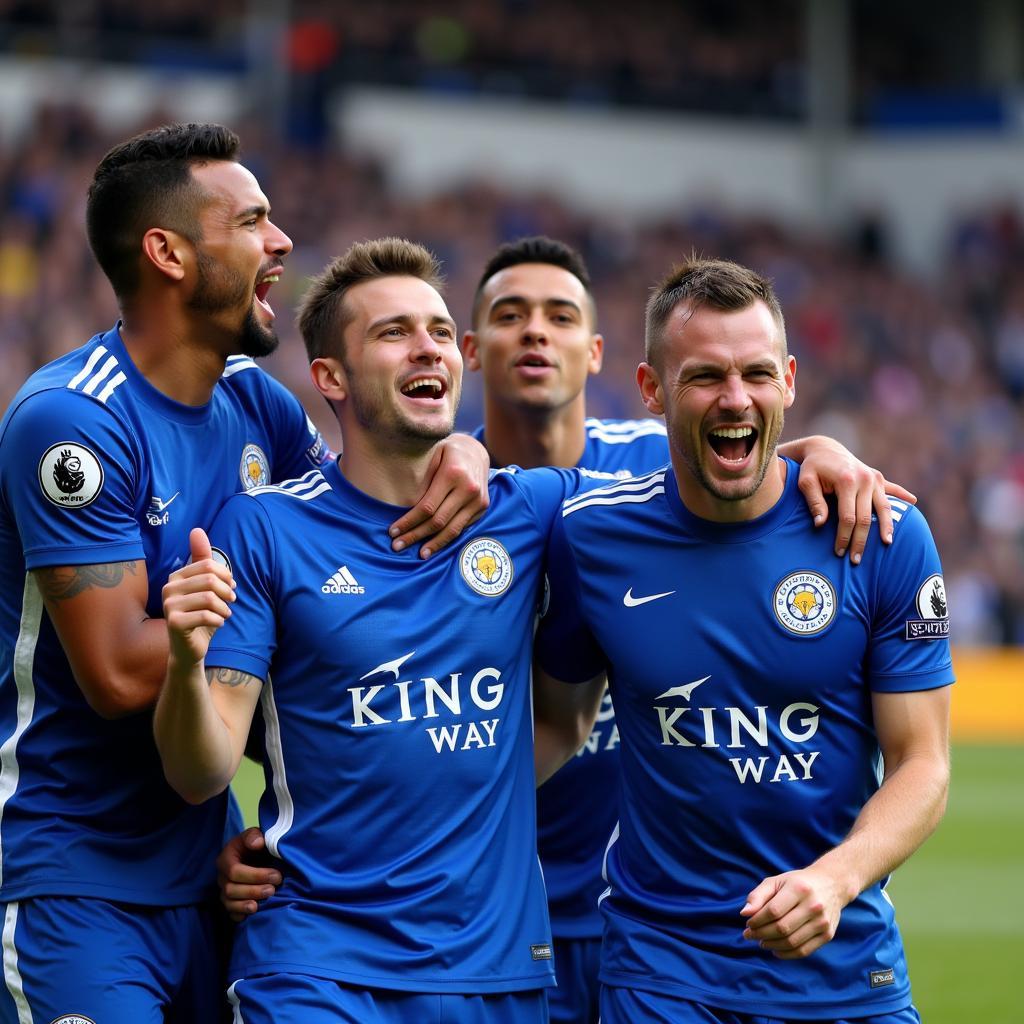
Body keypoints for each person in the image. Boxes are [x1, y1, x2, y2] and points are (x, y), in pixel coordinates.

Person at [217, 235, 915, 1024]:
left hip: (579, 931)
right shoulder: (451, 504)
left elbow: (737, 463)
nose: (536, 333)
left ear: (600, 353)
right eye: (509, 315)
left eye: (559, 314)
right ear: (478, 351)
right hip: (540, 937)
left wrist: (821, 452)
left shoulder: (620, 482)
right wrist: (316, 837)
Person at [0, 125, 487, 1023]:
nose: (283, 241)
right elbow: (113, 675)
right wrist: (269, 616)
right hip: (82, 881)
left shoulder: (257, 404)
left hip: (226, 870)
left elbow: (349, 525)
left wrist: (462, 449)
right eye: (254, 221)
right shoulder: (71, 423)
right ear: (169, 253)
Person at [154, 237, 606, 1022]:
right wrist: (187, 661)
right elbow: (201, 771)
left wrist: (817, 452)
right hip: (317, 968)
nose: (427, 346)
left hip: (496, 974)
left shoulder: (529, 510)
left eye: (438, 330)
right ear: (330, 376)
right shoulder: (263, 529)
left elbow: (707, 496)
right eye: (393, 332)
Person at [535, 256, 953, 1024]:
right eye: (704, 377)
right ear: (652, 390)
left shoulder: (885, 534)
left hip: (843, 968)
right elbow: (554, 724)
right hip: (661, 972)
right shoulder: (589, 535)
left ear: (790, 381)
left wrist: (832, 880)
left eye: (757, 374)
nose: (736, 398)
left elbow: (923, 764)